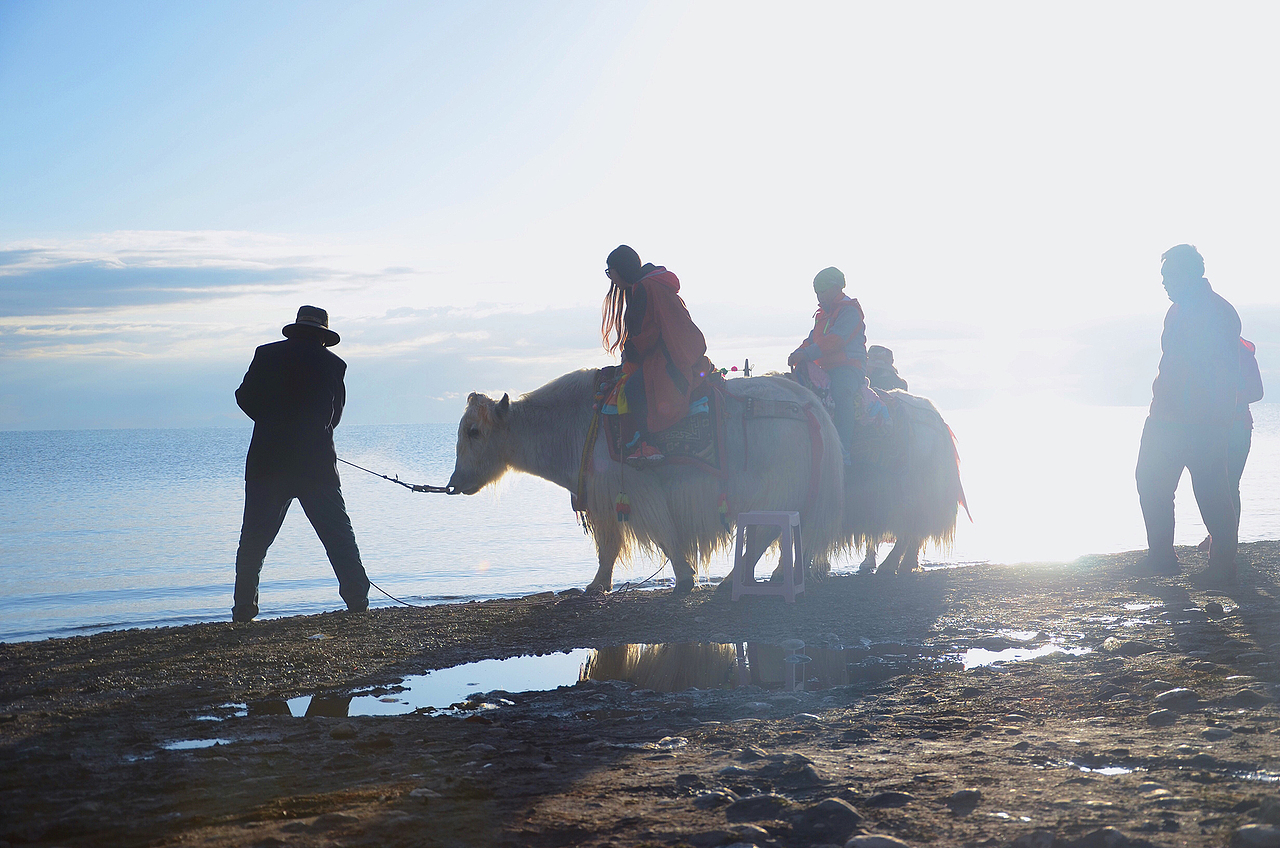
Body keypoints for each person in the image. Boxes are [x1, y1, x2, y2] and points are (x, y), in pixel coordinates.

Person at [231, 305, 370, 622]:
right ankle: (358, 601)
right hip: (316, 466)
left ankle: (243, 609)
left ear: (296, 328)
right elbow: (334, 416)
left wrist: (270, 421)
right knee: (338, 537)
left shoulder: (265, 354)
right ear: (323, 335)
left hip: (267, 462)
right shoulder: (334, 364)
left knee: (253, 542)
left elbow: (244, 397)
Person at [1132, 245, 1242, 584]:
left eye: (1169, 276)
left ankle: (1222, 566)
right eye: (1163, 276)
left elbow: (1222, 370)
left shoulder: (1218, 313)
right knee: (1150, 483)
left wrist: (1217, 418)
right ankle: (1161, 557)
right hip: (1165, 418)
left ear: (1190, 274)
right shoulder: (1177, 311)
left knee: (1212, 493)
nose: (1164, 283)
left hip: (1202, 422)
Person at [602, 245, 709, 464]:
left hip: (668, 359)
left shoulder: (645, 288)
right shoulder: (650, 284)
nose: (610, 278)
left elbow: (648, 334)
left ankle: (648, 443)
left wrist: (629, 353)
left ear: (620, 269)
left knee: (633, 388)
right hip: (673, 353)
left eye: (609, 272)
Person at [787, 266, 873, 456]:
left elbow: (836, 340)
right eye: (817, 292)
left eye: (823, 291)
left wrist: (806, 354)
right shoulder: (823, 315)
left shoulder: (849, 311)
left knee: (841, 394)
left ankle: (843, 450)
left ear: (836, 287)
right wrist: (797, 353)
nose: (819, 297)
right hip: (825, 368)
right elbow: (812, 340)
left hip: (849, 366)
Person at [1197, 337, 1264, 552]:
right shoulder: (1202, 350)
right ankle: (1216, 535)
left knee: (1229, 484)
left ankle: (1227, 538)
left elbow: (1257, 392)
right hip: (1208, 429)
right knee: (1212, 484)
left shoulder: (1243, 353)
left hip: (1237, 428)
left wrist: (1226, 397)